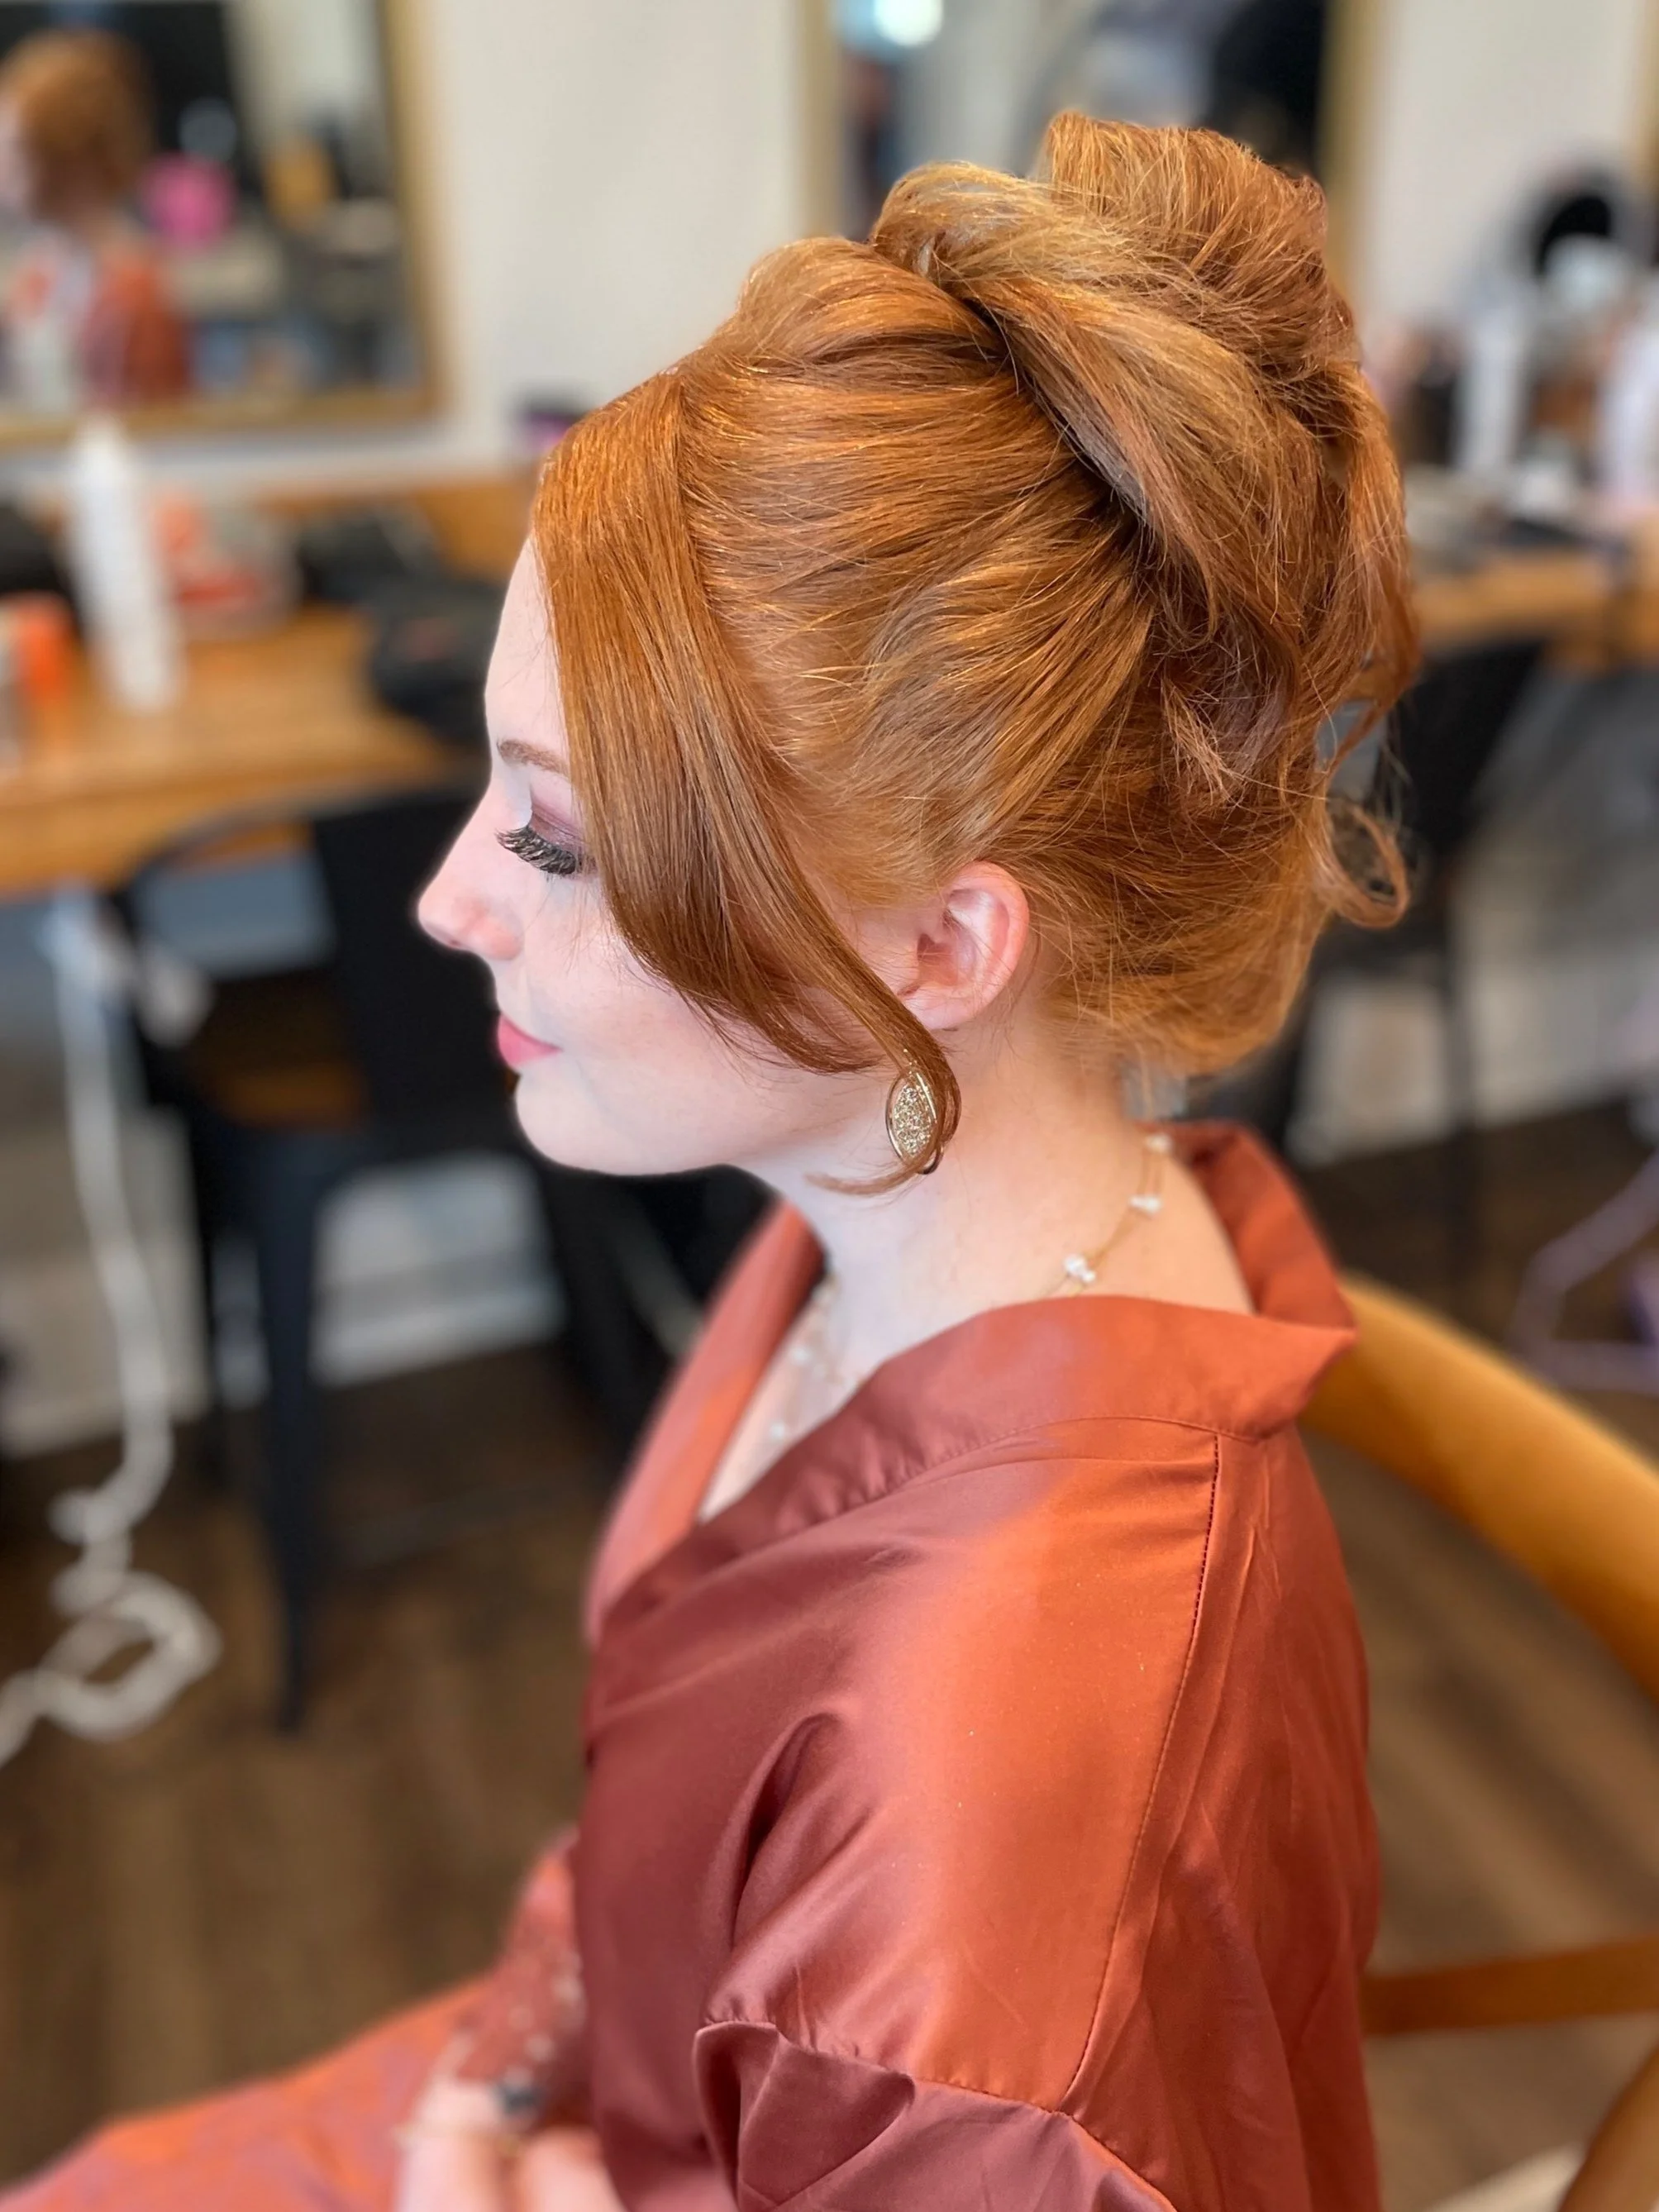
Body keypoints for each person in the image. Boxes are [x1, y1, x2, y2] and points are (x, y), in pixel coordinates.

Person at [7, 113, 1415, 2212]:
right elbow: (662, 1835)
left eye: (557, 838)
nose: (447, 905)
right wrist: (499, 2086)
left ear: (943, 943)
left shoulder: (993, 1890)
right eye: (492, 795)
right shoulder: (892, 1206)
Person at [0, 29, 189, 408]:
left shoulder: (135, 290)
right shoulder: (36, 278)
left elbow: (157, 426)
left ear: (69, 162)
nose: (3, 170)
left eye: (17, 153)